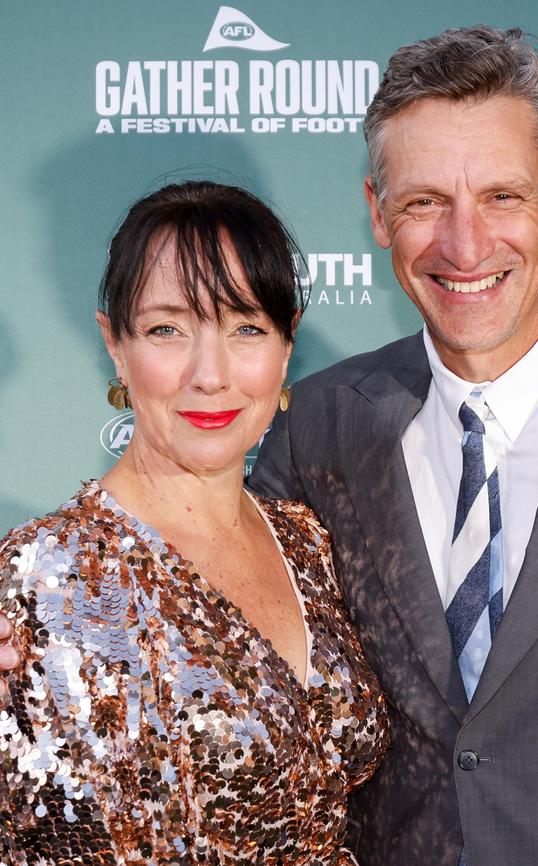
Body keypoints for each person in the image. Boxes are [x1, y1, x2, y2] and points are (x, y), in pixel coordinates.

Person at [247, 25, 538, 866]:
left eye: (502, 196)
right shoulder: (315, 424)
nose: (465, 246)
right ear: (376, 212)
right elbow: (245, 665)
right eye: (425, 201)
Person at [0, 180, 389, 865]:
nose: (210, 375)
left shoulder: (305, 539)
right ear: (114, 345)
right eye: (167, 329)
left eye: (246, 328)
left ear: (287, 342)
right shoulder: (44, 575)